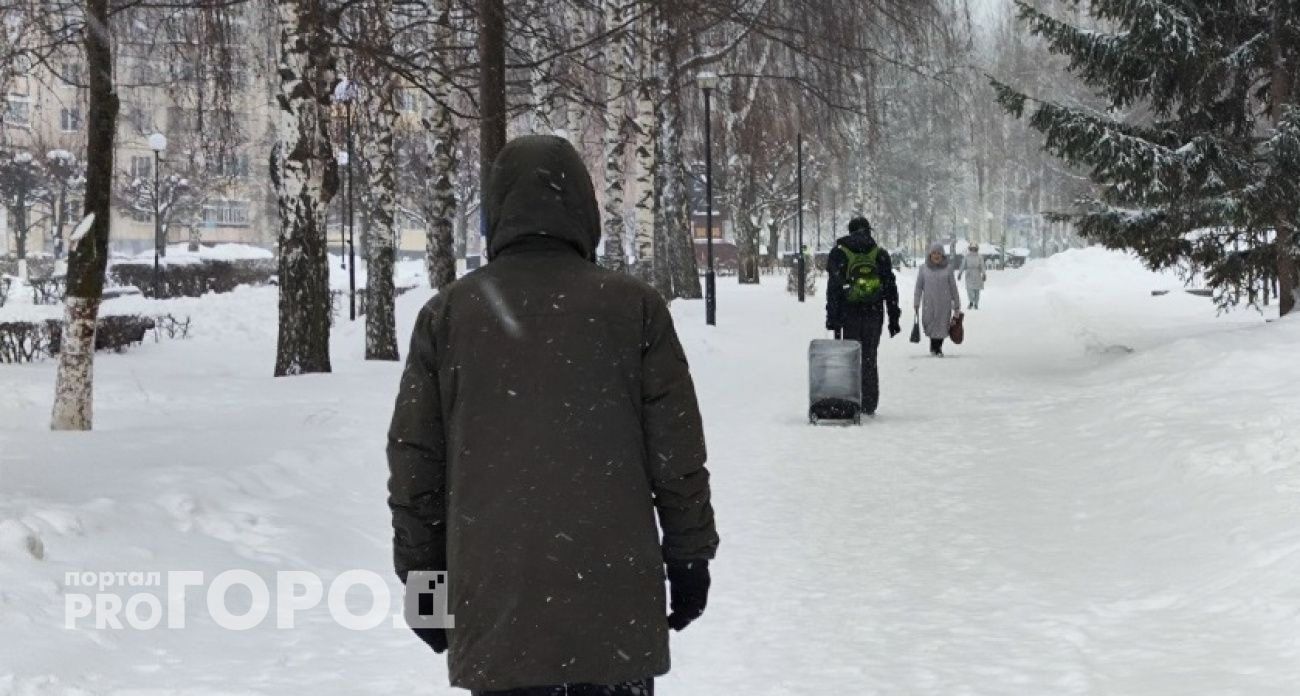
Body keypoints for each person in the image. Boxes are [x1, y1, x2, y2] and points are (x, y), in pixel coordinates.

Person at [387, 135, 719, 696]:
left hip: (498, 609)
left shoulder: (448, 317)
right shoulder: (633, 308)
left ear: (495, 215)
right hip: (612, 610)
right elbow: (676, 454)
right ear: (586, 209)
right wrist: (688, 558)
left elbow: (417, 466)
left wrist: (426, 588)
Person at [825, 216, 902, 416]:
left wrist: (832, 317)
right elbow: (890, 288)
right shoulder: (880, 254)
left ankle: (850, 401)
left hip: (848, 313)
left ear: (850, 231)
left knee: (850, 357)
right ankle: (868, 403)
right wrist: (894, 318)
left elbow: (833, 287)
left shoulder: (839, 253)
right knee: (869, 357)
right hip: (873, 314)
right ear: (869, 231)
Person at [914, 243, 962, 357]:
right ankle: (933, 345)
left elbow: (953, 287)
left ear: (942, 255)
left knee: (942, 326)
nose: (936, 255)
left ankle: (938, 348)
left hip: (944, 304)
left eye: (939, 253)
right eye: (934, 253)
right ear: (930, 254)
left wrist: (956, 304)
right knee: (930, 324)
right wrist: (916, 302)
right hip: (929, 304)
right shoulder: (923, 269)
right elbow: (919, 287)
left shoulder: (948, 269)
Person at [959, 243, 986, 309]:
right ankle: (971, 301)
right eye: (972, 248)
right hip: (969, 274)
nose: (973, 250)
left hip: (977, 274)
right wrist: (960, 273)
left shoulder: (979, 256)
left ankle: (976, 303)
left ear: (976, 249)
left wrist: (984, 274)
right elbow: (963, 265)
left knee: (977, 290)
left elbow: (982, 265)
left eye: (974, 248)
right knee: (969, 289)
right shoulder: (967, 256)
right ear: (970, 249)